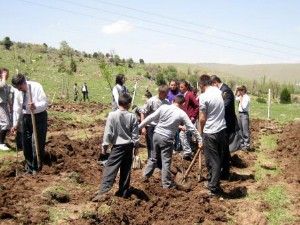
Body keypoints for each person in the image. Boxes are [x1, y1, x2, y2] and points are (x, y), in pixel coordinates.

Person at [139, 95, 202, 189]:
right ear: (183, 104)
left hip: (156, 135)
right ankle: (166, 185)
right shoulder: (181, 113)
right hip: (167, 139)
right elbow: (191, 127)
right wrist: (200, 139)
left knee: (153, 158)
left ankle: (145, 176)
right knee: (166, 162)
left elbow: (150, 118)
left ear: (173, 101)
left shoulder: (164, 107)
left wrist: (139, 127)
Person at [92, 93, 139, 202]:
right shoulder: (132, 116)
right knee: (126, 169)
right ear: (129, 104)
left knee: (110, 168)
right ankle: (123, 191)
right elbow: (135, 135)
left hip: (117, 147)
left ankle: (103, 191)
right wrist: (136, 147)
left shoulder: (112, 115)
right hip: (128, 146)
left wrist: (105, 146)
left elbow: (108, 132)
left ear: (118, 103)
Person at [11, 74, 48, 174]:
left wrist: (36, 106)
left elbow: (45, 103)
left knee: (36, 142)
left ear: (24, 82)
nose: (19, 90)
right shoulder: (17, 91)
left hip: (39, 116)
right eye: (17, 88)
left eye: (20, 87)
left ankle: (37, 166)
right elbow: (17, 108)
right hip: (26, 117)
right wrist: (15, 124)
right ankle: (29, 167)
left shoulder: (36, 87)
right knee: (26, 142)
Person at [198, 74, 227, 196]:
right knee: (216, 158)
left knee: (212, 160)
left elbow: (202, 118)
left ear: (202, 85)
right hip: (221, 130)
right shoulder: (217, 91)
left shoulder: (203, 97)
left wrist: (201, 134)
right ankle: (212, 181)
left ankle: (213, 188)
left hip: (210, 131)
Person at [211, 75, 237, 179]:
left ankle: (225, 172)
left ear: (215, 83)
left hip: (226, 124)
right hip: (222, 123)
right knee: (224, 149)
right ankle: (224, 170)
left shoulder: (226, 91)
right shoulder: (222, 90)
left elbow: (224, 106)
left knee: (223, 149)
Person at [140, 85, 170, 168]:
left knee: (160, 146)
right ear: (160, 92)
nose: (166, 95)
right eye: (165, 93)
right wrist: (143, 126)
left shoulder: (167, 102)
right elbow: (143, 112)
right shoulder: (151, 101)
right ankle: (151, 164)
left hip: (161, 128)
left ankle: (159, 165)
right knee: (151, 146)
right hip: (151, 126)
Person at [179, 80, 199, 160]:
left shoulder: (190, 94)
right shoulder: (184, 95)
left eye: (182, 87)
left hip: (190, 118)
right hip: (185, 118)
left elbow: (197, 106)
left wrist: (193, 116)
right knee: (187, 135)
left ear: (186, 87)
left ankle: (187, 152)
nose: (180, 89)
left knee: (182, 134)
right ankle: (189, 151)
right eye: (180, 87)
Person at [0, 68, 12, 151]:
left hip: (5, 105)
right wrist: (3, 77)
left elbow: (8, 96)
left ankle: (1, 142)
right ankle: (1, 143)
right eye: (4, 74)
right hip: (0, 104)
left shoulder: (6, 85)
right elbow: (1, 86)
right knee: (5, 123)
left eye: (6, 74)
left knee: (6, 124)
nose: (6, 75)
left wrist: (11, 105)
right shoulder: (2, 83)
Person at [236, 85, 250, 150]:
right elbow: (235, 98)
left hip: (244, 114)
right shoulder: (241, 96)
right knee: (240, 129)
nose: (239, 91)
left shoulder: (246, 97)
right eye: (239, 90)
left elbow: (244, 107)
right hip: (240, 114)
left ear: (244, 90)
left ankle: (246, 145)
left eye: (240, 90)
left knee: (245, 130)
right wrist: (236, 91)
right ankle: (241, 144)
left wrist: (241, 100)